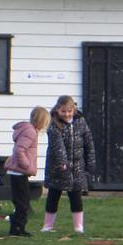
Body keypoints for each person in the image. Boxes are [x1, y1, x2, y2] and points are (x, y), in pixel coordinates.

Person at [41, 95, 95, 234]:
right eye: (63, 111)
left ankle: (78, 227)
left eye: (69, 111)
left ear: (74, 109)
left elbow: (88, 142)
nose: (66, 114)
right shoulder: (53, 124)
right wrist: (62, 162)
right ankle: (48, 225)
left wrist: (90, 162)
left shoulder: (81, 121)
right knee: (53, 195)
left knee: (76, 196)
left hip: (77, 167)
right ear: (57, 110)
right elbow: (57, 145)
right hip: (57, 168)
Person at [4, 106, 50, 237]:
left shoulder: (29, 130)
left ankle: (17, 226)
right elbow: (19, 150)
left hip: (18, 173)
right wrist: (26, 165)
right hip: (19, 172)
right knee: (22, 203)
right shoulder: (30, 132)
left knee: (22, 202)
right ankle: (17, 228)